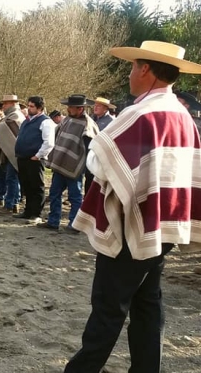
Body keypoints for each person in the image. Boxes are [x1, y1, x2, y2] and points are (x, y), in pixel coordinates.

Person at [64, 41, 201, 372]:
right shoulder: (182, 114)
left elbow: (100, 161)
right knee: (147, 303)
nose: (129, 74)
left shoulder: (141, 113)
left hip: (132, 225)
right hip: (164, 224)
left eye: (132, 67)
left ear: (145, 69)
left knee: (109, 306)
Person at [37, 94, 98, 232]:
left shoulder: (88, 125)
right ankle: (53, 221)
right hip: (60, 164)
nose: (68, 109)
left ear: (80, 108)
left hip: (74, 167)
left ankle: (74, 225)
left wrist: (86, 168)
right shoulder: (66, 120)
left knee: (74, 197)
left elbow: (90, 148)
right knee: (54, 193)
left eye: (71, 107)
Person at [13, 96, 55, 223]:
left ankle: (36, 213)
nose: (29, 108)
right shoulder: (26, 121)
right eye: (29, 106)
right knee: (26, 185)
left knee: (36, 186)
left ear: (39, 108)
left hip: (35, 159)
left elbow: (49, 142)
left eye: (32, 106)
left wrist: (38, 155)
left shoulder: (45, 122)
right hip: (23, 157)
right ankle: (28, 211)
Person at [0, 95, 26, 215]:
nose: (3, 106)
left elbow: (11, 133)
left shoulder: (16, 116)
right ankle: (13, 203)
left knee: (12, 178)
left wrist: (0, 136)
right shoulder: (11, 116)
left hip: (14, 151)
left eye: (5, 104)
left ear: (12, 103)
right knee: (11, 178)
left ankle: (10, 204)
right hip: (10, 151)